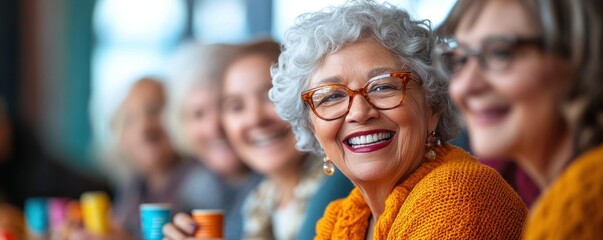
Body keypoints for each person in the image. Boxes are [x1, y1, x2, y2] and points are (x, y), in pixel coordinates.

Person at [269, 1, 527, 239]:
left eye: (383, 87)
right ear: (312, 127)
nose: (359, 112)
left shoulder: (460, 194)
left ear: (433, 107)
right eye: (331, 96)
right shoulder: (343, 219)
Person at [436, 0, 603, 238]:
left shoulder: (586, 210)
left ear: (580, 57)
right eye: (460, 59)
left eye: (500, 53)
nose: (466, 86)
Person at [163, 42, 262, 240]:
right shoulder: (196, 186)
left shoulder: (276, 184)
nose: (214, 127)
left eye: (228, 106)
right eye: (198, 114)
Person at [107, 77, 198, 239]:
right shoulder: (133, 185)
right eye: (131, 119)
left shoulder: (202, 180)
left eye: (154, 111)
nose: (144, 127)